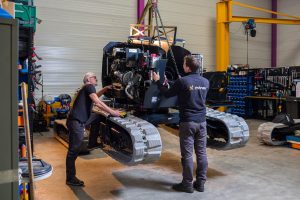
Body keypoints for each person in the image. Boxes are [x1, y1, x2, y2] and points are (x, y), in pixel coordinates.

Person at [152, 55, 209, 193]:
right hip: (202, 122)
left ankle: (187, 184)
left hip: (188, 122)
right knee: (201, 153)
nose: (183, 65)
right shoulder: (206, 81)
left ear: (187, 67)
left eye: (184, 63)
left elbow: (166, 94)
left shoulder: (182, 81)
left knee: (187, 155)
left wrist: (158, 81)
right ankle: (200, 183)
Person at [66, 72, 120, 187]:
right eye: (94, 77)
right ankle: (70, 178)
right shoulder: (89, 86)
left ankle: (92, 142)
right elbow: (97, 102)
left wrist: (105, 88)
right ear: (88, 79)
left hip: (80, 120)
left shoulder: (87, 89)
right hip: (76, 123)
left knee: (97, 117)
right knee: (73, 151)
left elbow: (96, 95)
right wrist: (112, 112)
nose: (96, 79)